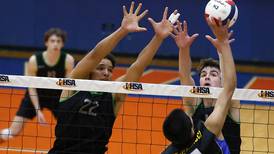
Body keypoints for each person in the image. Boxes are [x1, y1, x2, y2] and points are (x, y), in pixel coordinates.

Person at [48, 2, 175, 154]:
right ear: (90, 71)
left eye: (110, 69)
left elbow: (138, 67)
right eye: (101, 68)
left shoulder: (114, 95)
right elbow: (95, 55)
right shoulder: (74, 86)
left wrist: (158, 38)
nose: (106, 73)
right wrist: (123, 30)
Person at [162, 17, 237, 154]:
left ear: (221, 80)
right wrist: (223, 45)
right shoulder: (196, 107)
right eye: (203, 75)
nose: (207, 77)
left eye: (213, 74)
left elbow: (227, 83)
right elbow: (185, 78)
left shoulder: (232, 104)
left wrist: (183, 49)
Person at [0, 28, 75, 142]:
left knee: (70, 129)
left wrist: (68, 104)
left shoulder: (68, 60)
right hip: (36, 95)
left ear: (62, 44)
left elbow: (68, 86)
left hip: (57, 97)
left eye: (58, 41)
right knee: (13, 132)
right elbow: (31, 86)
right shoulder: (34, 60)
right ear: (46, 43)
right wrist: (37, 109)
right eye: (52, 41)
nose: (55, 44)